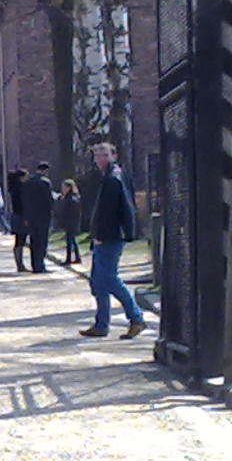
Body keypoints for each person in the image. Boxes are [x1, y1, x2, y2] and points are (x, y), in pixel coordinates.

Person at [80, 142, 147, 339]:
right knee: (98, 282)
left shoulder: (112, 178)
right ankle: (101, 324)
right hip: (108, 234)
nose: (100, 159)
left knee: (109, 278)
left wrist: (101, 235)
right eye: (97, 156)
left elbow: (111, 211)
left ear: (114, 156)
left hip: (109, 236)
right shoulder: (113, 176)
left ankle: (136, 317)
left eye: (104, 155)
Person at [22, 162, 57, 273]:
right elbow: (49, 200)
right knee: (42, 241)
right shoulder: (45, 182)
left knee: (33, 241)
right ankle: (40, 264)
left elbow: (25, 200)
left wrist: (26, 216)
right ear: (45, 171)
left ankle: (34, 264)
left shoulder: (28, 182)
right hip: (43, 215)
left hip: (31, 216)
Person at [8, 167, 30, 271]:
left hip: (16, 216)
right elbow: (24, 204)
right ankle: (20, 264)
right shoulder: (21, 189)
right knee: (21, 240)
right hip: (21, 216)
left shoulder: (13, 188)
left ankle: (19, 263)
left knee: (18, 240)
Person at [58, 179, 83, 264]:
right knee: (72, 240)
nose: (63, 189)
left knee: (70, 241)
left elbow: (72, 211)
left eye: (64, 187)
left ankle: (70, 259)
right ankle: (76, 257)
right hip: (70, 221)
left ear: (69, 187)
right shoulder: (69, 197)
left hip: (71, 222)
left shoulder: (72, 198)